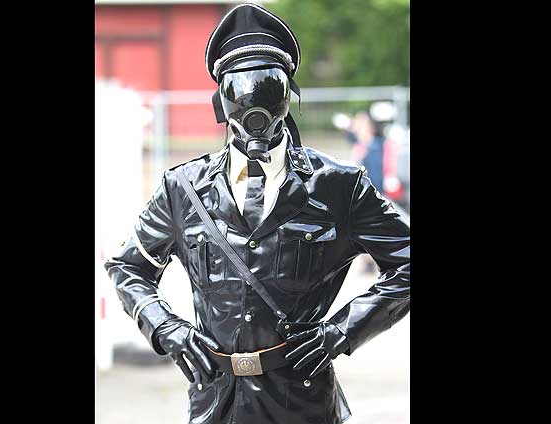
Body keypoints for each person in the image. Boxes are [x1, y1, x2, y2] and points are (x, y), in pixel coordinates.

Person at [104, 4, 410, 424]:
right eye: (240, 86)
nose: (254, 102)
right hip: (215, 400)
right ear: (223, 99)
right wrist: (165, 327)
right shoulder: (183, 189)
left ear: (286, 94)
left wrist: (342, 331)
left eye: (268, 84)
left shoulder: (338, 187)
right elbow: (127, 266)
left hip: (302, 400)